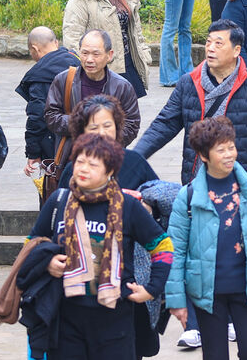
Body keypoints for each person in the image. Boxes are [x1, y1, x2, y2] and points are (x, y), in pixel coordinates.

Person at [26, 134, 174, 360]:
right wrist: (46, 262)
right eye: (79, 161)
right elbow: (32, 243)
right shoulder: (60, 201)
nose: (83, 169)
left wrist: (152, 289)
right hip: (66, 317)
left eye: (92, 164)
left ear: (109, 171)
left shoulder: (128, 206)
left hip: (115, 319)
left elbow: (162, 246)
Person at [166, 117, 247, 360]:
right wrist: (176, 299)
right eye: (220, 150)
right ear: (203, 155)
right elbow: (175, 251)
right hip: (207, 294)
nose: (229, 154)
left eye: (231, 146)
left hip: (246, 288)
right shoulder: (187, 197)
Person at [133, 19, 247, 196]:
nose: (210, 48)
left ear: (236, 51)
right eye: (208, 42)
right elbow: (164, 124)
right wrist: (134, 158)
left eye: (219, 44)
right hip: (197, 182)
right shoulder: (189, 82)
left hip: (241, 183)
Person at [63, 0, 150, 98]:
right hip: (101, 69)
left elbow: (136, 31)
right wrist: (88, 66)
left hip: (128, 64)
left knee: (127, 115)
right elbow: (72, 38)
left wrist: (144, 54)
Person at [45, 30, 142, 147]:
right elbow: (51, 116)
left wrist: (105, 140)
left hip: (109, 156)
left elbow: (131, 125)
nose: (89, 59)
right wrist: (83, 123)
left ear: (109, 55)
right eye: (85, 53)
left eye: (96, 54)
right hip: (71, 156)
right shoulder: (64, 80)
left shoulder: (122, 86)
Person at [17, 26, 81, 176]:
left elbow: (37, 117)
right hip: (82, 136)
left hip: (54, 143)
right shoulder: (78, 61)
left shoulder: (39, 75)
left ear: (34, 48)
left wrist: (33, 152)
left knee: (54, 187)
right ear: (56, 43)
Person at [57, 94, 156, 190]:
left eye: (107, 126)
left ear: (116, 127)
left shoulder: (135, 162)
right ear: (82, 132)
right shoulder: (74, 169)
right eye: (94, 128)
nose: (102, 133)